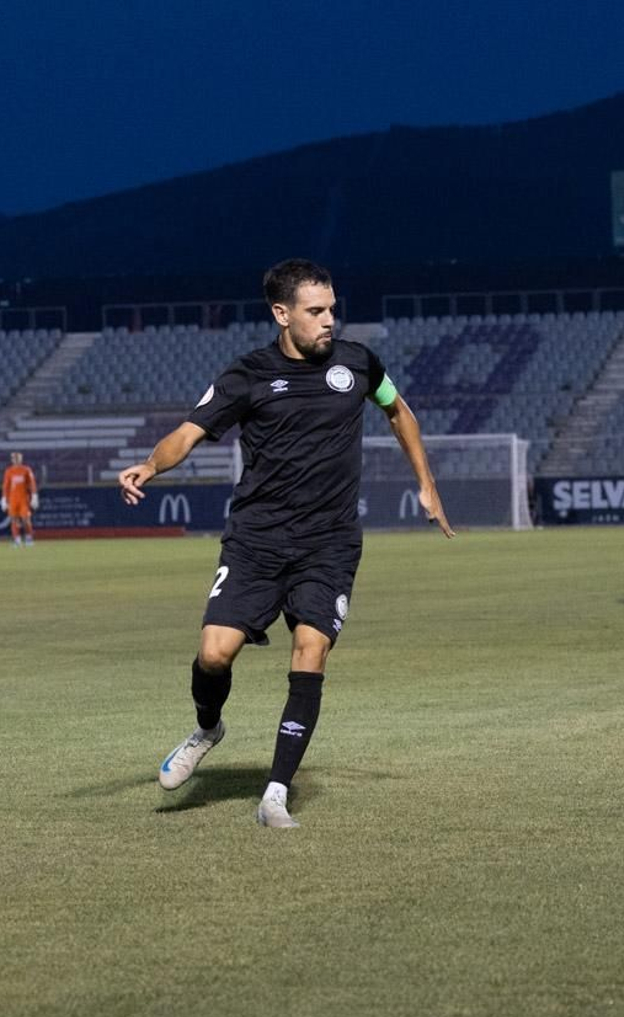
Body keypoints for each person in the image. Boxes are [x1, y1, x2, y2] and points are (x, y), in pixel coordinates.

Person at [119, 259, 454, 829]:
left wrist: (426, 483)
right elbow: (191, 430)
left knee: (310, 651)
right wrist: (151, 464)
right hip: (256, 541)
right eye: (316, 311)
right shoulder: (247, 374)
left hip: (329, 543)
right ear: (282, 313)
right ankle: (207, 728)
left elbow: (398, 410)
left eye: (332, 309)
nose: (331, 321)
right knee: (214, 653)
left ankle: (275, 792)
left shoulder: (358, 363)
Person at [1, 451, 38, 547]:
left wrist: (34, 496)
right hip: (13, 499)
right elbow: (6, 486)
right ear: (12, 460)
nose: (16, 460)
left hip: (23, 499)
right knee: (14, 519)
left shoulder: (26, 470)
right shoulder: (9, 471)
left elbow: (32, 483)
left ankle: (29, 538)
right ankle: (17, 540)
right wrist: (4, 499)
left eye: (18, 458)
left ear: (21, 459)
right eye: (14, 458)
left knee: (26, 519)